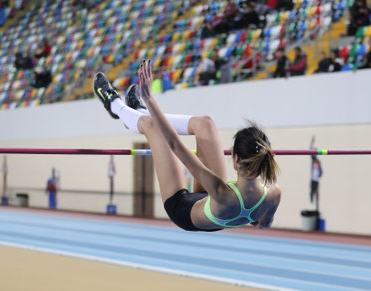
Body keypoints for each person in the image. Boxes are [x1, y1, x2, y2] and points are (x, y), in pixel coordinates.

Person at [93, 60, 281, 231]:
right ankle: (139, 113)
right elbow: (263, 224)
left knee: (153, 127)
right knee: (205, 124)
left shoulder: (222, 191)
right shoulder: (273, 195)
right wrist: (250, 216)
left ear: (236, 158)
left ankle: (114, 105)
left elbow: (174, 144)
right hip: (213, 202)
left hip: (182, 209)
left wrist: (150, 99)